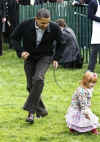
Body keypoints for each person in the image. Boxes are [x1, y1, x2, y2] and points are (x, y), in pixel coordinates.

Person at [10, 8, 65, 124]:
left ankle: (30, 112)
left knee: (38, 78)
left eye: (47, 22)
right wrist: (20, 52)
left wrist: (56, 58)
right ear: (36, 19)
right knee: (31, 85)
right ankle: (41, 111)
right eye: (43, 23)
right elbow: (14, 38)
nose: (46, 25)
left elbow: (62, 43)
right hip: (29, 57)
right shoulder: (25, 24)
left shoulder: (54, 27)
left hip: (45, 57)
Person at [88, 0, 100, 72]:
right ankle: (90, 70)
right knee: (94, 53)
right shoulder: (93, 2)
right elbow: (90, 15)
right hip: (97, 32)